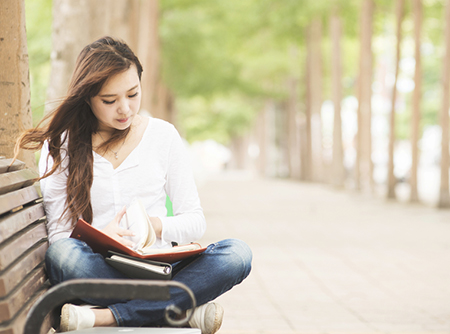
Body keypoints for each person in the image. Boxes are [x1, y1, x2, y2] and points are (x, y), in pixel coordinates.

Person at [14, 36, 252, 334]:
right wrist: (100, 236)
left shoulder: (162, 136)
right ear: (87, 97)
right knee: (63, 257)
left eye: (133, 94)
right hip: (98, 270)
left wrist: (157, 226)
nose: (125, 109)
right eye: (110, 101)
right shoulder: (61, 146)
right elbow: (61, 239)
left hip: (157, 270)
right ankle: (173, 311)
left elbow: (195, 220)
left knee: (237, 255)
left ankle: (108, 316)